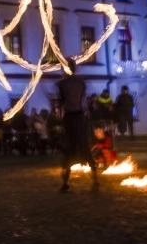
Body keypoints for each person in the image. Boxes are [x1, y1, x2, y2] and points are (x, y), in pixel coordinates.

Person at [57, 59, 98, 193]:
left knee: (70, 149)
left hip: (70, 118)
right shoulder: (81, 83)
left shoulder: (62, 84)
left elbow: (63, 101)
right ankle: (95, 179)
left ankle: (66, 183)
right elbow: (82, 99)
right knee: (84, 146)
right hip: (80, 117)